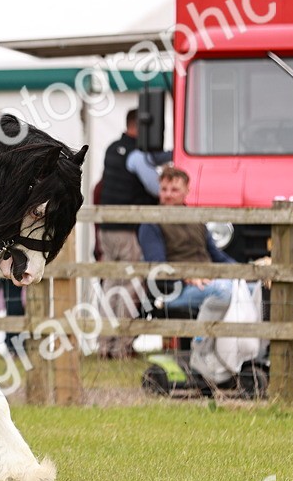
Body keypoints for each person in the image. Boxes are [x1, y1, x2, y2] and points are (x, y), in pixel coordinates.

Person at [97, 108, 170, 359]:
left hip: (106, 229)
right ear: (141, 127)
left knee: (111, 285)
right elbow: (156, 188)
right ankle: (121, 347)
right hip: (127, 230)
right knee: (130, 286)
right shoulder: (137, 154)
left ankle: (104, 345)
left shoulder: (112, 148)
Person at [138, 166, 237, 314]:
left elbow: (218, 256)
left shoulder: (196, 219)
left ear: (187, 191)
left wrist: (246, 273)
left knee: (253, 290)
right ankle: (204, 331)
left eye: (174, 190)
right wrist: (187, 276)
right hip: (174, 291)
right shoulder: (151, 224)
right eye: (164, 189)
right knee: (222, 291)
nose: (168, 195)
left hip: (208, 281)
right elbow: (158, 267)